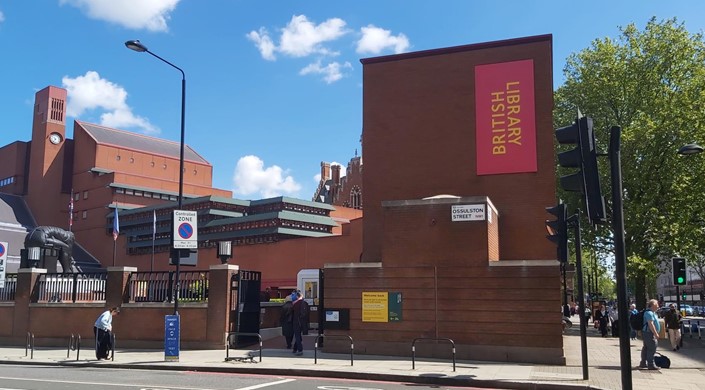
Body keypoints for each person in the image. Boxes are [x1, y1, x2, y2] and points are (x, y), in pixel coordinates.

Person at [639, 299, 661, 370]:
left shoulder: (652, 313)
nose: (658, 306)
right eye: (657, 304)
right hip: (649, 333)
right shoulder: (649, 313)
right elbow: (651, 324)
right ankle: (651, 364)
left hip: (647, 332)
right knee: (652, 347)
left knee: (646, 347)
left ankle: (643, 363)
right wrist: (656, 333)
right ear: (653, 305)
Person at [291, 291, 309, 356]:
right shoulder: (305, 303)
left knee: (297, 336)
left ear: (297, 296)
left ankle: (300, 349)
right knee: (298, 336)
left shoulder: (295, 304)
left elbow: (292, 313)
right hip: (303, 322)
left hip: (296, 322)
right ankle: (295, 349)